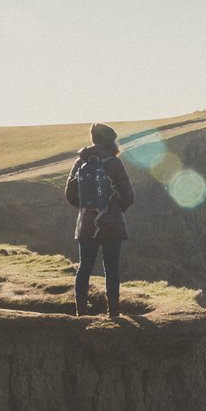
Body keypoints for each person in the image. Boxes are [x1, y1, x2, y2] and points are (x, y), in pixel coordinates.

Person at [64, 122, 135, 317]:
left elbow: (69, 194)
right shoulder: (114, 163)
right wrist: (116, 209)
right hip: (112, 225)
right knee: (111, 268)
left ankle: (81, 312)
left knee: (84, 267)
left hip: (86, 225)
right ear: (109, 141)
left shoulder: (80, 162)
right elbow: (128, 195)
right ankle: (113, 311)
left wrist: (86, 209)